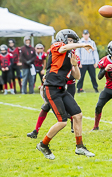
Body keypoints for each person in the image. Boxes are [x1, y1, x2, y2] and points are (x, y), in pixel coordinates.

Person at [36, 29, 95, 160]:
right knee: (62, 122)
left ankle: (79, 147)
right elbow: (65, 47)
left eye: (73, 41)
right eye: (69, 40)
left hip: (62, 89)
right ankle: (43, 144)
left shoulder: (71, 54)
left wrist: (74, 66)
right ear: (62, 39)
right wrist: (82, 45)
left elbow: (77, 76)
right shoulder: (56, 46)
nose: (71, 43)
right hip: (51, 89)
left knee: (78, 115)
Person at [27, 50, 81, 138]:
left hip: (67, 87)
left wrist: (74, 65)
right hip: (55, 88)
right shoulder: (58, 57)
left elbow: (74, 76)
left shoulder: (73, 57)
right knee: (46, 108)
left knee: (70, 111)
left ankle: (73, 126)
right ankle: (36, 131)